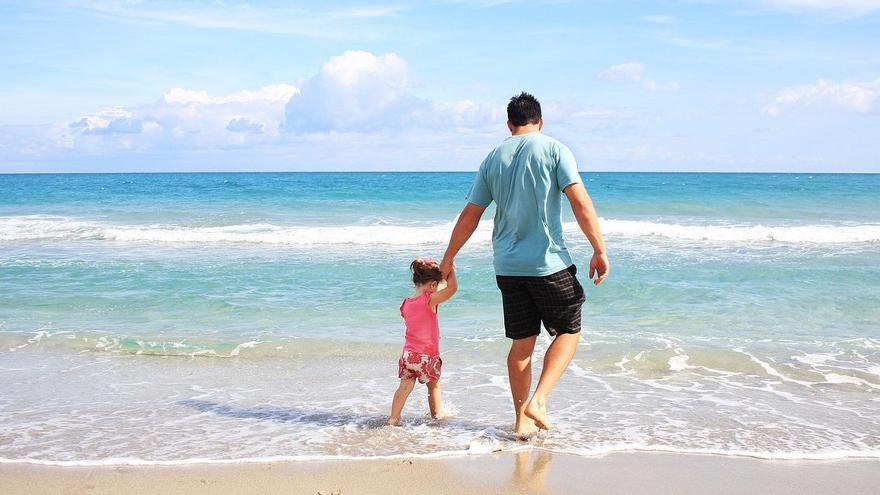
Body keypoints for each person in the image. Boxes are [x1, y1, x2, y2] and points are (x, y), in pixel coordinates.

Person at [439, 92, 609, 436]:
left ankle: (520, 423)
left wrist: (449, 256)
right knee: (569, 331)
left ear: (509, 124)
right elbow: (579, 201)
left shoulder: (492, 158)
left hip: (508, 266)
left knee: (521, 343)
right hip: (547, 263)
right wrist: (599, 249)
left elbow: (472, 214)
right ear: (540, 121)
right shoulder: (554, 149)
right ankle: (539, 401)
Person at [387, 258, 458, 426]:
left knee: (404, 387)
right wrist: (451, 270)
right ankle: (437, 417)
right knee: (433, 386)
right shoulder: (429, 300)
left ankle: (393, 419)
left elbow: (435, 289)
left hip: (408, 355)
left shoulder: (405, 304)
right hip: (427, 356)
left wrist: (439, 276)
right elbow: (452, 288)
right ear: (432, 286)